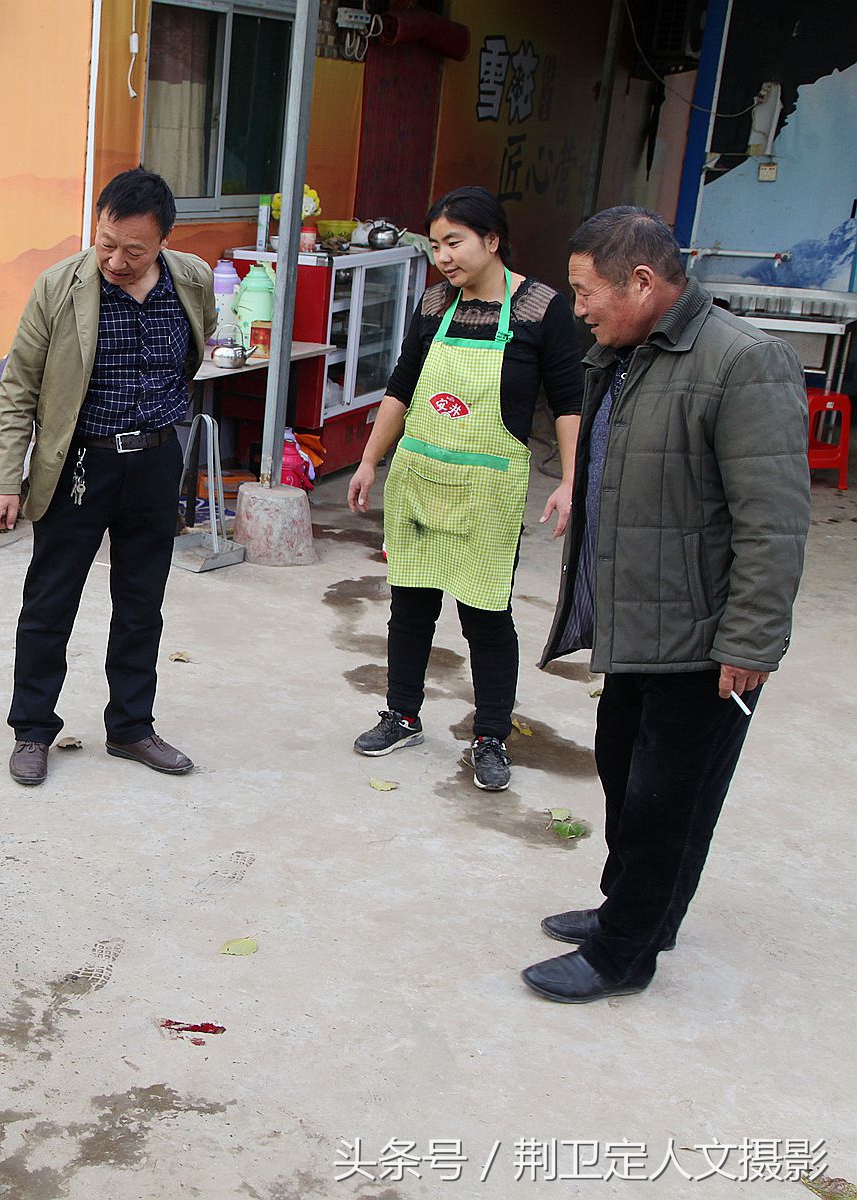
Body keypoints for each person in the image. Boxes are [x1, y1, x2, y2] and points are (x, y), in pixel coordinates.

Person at [523, 207, 809, 1003]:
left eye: (586, 293)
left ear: (643, 282)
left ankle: (624, 954)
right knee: (625, 776)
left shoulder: (743, 363)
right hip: (638, 623)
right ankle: (638, 911)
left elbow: (774, 522)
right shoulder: (626, 351)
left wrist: (750, 642)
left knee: (665, 800)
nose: (577, 308)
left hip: (704, 637)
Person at [347, 186, 584, 791]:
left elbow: (568, 401)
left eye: (454, 242)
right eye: (435, 246)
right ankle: (401, 715)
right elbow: (402, 386)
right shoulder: (434, 304)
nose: (443, 258)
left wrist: (572, 480)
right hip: (420, 478)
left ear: (492, 240)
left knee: (485, 616)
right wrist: (371, 461)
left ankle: (490, 736)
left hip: (488, 487)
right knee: (412, 606)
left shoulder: (541, 308)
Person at [0, 167, 213, 787]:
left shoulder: (191, 281)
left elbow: (194, 351)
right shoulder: (58, 289)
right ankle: (32, 730)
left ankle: (132, 727)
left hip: (157, 460)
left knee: (142, 603)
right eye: (106, 242)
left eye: (133, 250)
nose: (114, 259)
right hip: (80, 463)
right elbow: (18, 389)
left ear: (164, 240)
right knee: (50, 602)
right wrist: (7, 480)